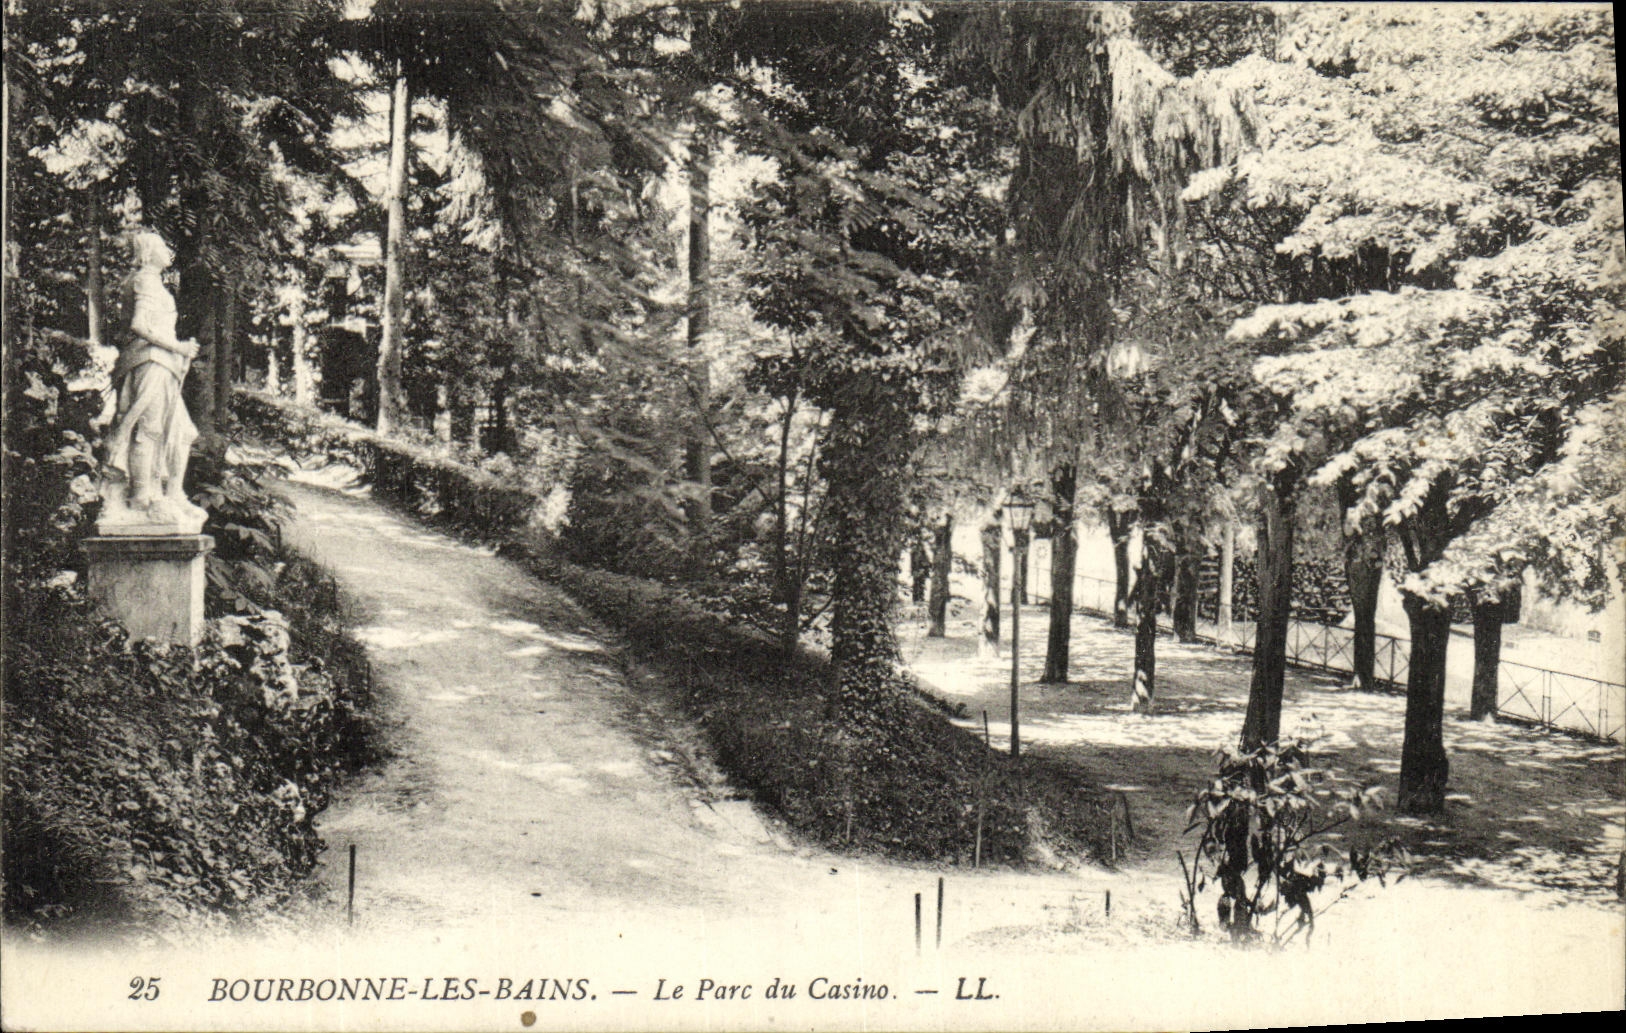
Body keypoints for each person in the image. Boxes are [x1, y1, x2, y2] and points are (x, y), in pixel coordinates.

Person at [99, 230, 207, 531]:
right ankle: (142, 496)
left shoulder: (151, 281)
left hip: (162, 363)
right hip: (150, 362)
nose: (168, 251)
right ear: (148, 253)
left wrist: (179, 350)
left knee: (181, 432)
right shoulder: (145, 280)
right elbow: (139, 325)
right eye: (162, 246)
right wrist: (179, 347)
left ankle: (173, 492)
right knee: (148, 429)